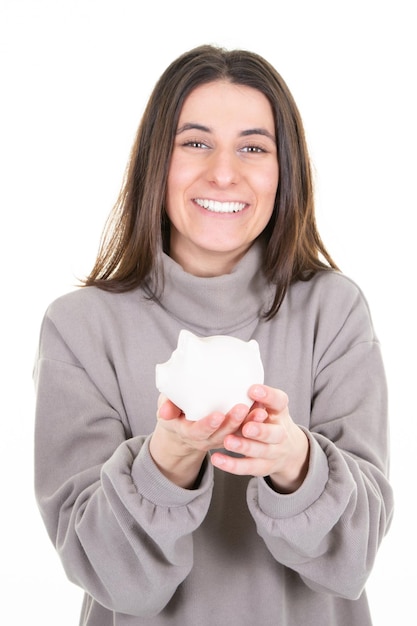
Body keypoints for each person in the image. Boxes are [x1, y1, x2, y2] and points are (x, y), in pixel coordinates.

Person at [34, 44, 393, 626]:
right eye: (195, 142)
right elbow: (107, 572)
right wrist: (165, 462)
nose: (223, 172)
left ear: (284, 171)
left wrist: (295, 463)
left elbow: (352, 562)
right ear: (157, 161)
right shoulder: (80, 328)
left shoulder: (333, 311)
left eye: (253, 147)